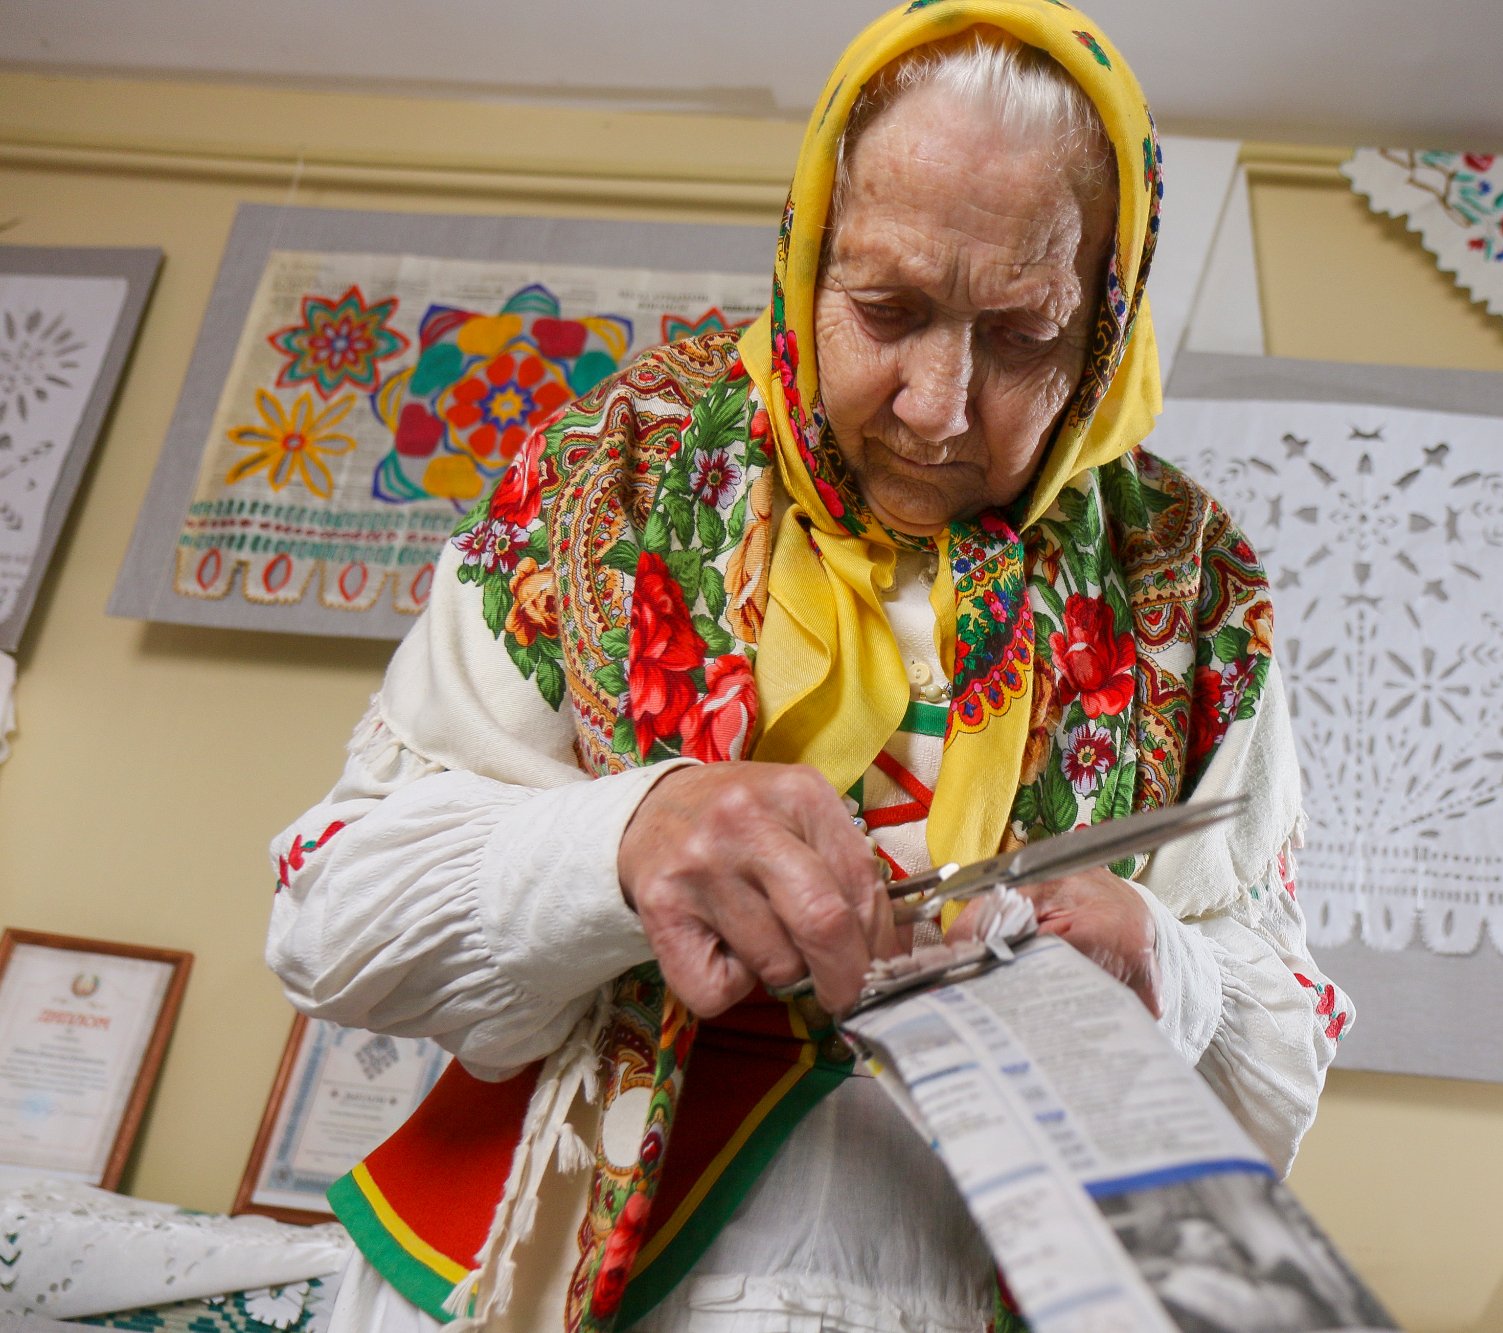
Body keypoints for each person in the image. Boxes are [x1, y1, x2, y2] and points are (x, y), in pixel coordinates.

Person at [267, 3, 1355, 1330]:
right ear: (805, 253)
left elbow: (1281, 1056)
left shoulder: (1192, 583)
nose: (940, 406)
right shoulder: (616, 476)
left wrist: (1161, 971)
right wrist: (623, 840)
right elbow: (330, 915)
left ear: (1107, 318)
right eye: (887, 309)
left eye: (1022, 335)